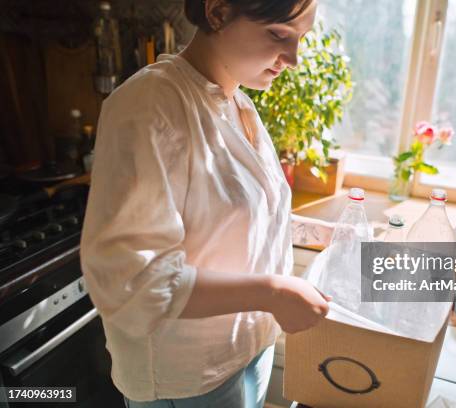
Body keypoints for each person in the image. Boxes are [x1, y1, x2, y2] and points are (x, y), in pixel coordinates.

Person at [80, 1, 333, 407]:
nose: (294, 59)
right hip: (187, 376)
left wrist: (326, 235)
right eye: (278, 35)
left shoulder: (238, 103)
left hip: (246, 349)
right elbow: (136, 280)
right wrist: (272, 293)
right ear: (217, 11)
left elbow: (237, 218)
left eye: (300, 39)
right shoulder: (149, 105)